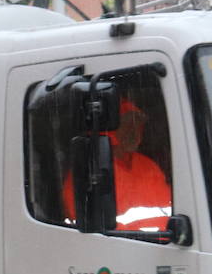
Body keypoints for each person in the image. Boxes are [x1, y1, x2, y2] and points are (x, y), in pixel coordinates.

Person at [63, 97, 172, 231]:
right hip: (119, 245)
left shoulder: (148, 165)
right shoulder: (89, 169)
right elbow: (86, 224)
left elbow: (169, 208)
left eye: (137, 124)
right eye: (126, 124)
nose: (133, 131)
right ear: (109, 129)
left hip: (165, 243)